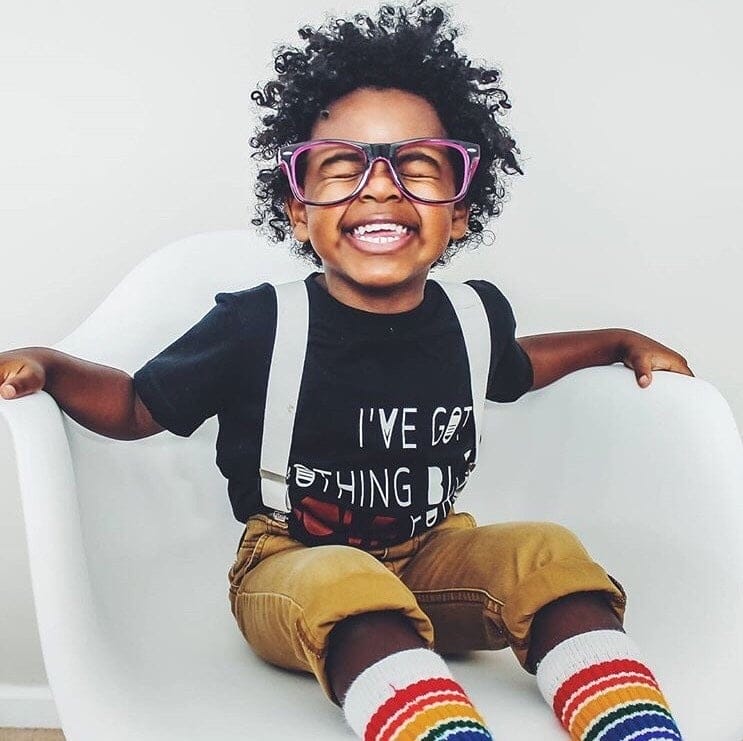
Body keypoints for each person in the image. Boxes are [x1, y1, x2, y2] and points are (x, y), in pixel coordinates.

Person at [0, 4, 692, 740]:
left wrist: (615, 340)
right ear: (298, 212)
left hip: (432, 550)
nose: (381, 187)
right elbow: (138, 405)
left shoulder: (469, 317)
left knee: (546, 551)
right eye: (341, 168)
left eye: (417, 167)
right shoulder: (258, 323)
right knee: (343, 579)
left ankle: (633, 727)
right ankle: (437, 728)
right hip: (292, 564)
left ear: (458, 211)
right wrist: (49, 364)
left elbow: (519, 365)